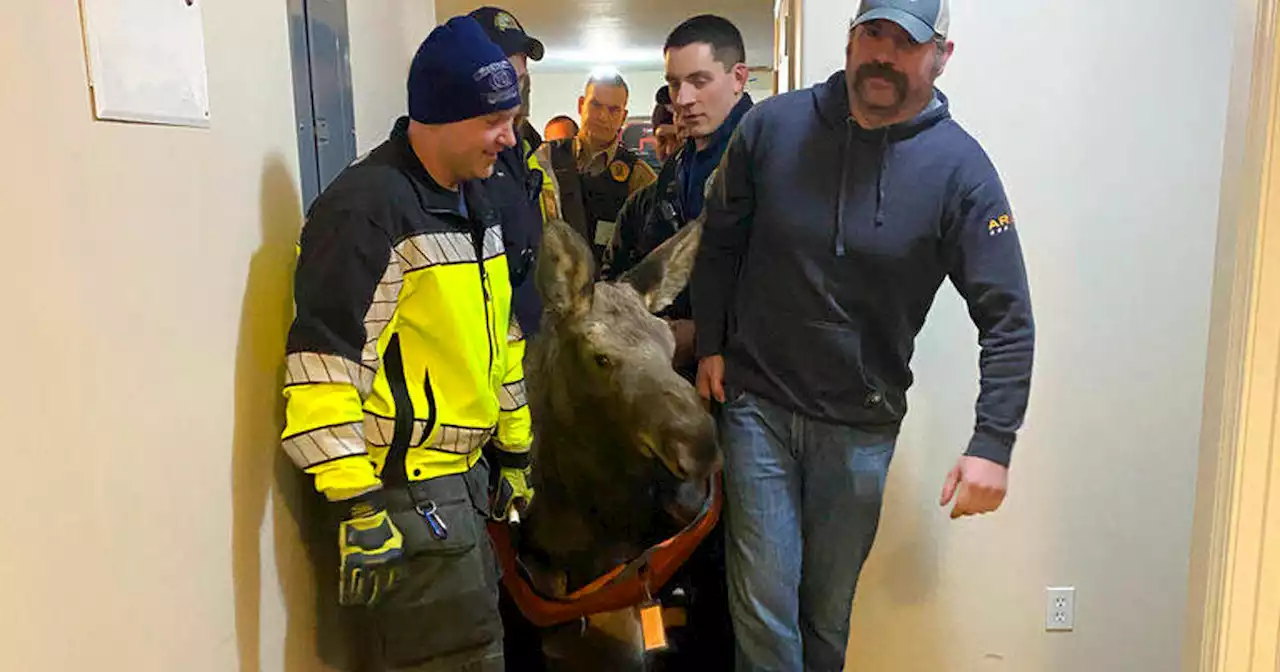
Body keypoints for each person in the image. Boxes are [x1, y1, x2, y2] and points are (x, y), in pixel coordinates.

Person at [691, 0, 1035, 669]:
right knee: (763, 616)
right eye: (872, 34)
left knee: (824, 619)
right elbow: (721, 239)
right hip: (757, 407)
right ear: (851, 40)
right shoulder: (772, 127)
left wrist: (993, 442)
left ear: (942, 55)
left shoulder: (962, 173)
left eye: (905, 43)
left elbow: (1008, 316)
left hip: (860, 428)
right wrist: (710, 340)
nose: (884, 55)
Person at [279, 16, 534, 672]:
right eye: (493, 122)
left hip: (461, 486)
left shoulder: (474, 201)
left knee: (478, 648)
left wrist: (514, 449)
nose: (508, 140)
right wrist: (355, 501)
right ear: (443, 116)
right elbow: (325, 366)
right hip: (404, 496)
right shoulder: (367, 212)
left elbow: (500, 340)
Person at [603, 14, 753, 382]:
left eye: (699, 81)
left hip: (744, 379)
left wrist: (706, 335)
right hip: (673, 368)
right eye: (674, 84)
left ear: (738, 78)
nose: (683, 100)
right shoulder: (679, 166)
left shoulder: (765, 157)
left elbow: (784, 283)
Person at [470, 6, 558, 339]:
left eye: (520, 80)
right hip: (492, 344)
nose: (516, 93)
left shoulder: (526, 148)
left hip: (535, 336)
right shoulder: (468, 159)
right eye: (506, 79)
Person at [544, 70, 657, 264]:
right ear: (581, 105)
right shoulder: (546, 159)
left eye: (614, 110)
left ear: (623, 116)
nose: (603, 117)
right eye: (595, 105)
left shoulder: (639, 176)